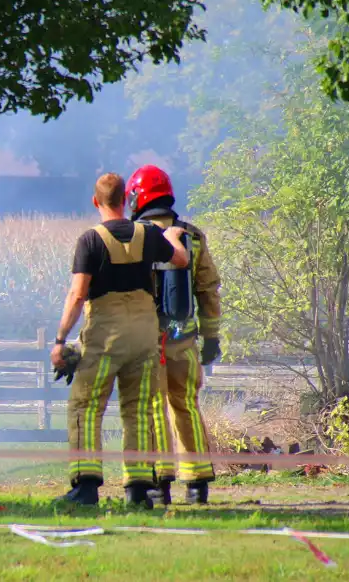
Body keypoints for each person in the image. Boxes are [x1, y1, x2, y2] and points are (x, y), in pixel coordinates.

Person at [50, 172, 189, 508]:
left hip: (105, 338)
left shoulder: (90, 240)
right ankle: (139, 490)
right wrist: (169, 237)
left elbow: (78, 293)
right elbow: (181, 260)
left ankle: (85, 488)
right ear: (126, 199)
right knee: (138, 410)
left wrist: (59, 339)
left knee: (85, 406)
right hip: (143, 336)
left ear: (96, 202)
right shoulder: (148, 233)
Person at [127, 165, 222, 505]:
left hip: (148, 343)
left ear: (137, 197)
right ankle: (197, 485)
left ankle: (159, 483)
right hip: (185, 342)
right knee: (186, 407)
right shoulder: (192, 236)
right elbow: (208, 289)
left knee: (152, 409)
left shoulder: (134, 237)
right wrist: (212, 338)